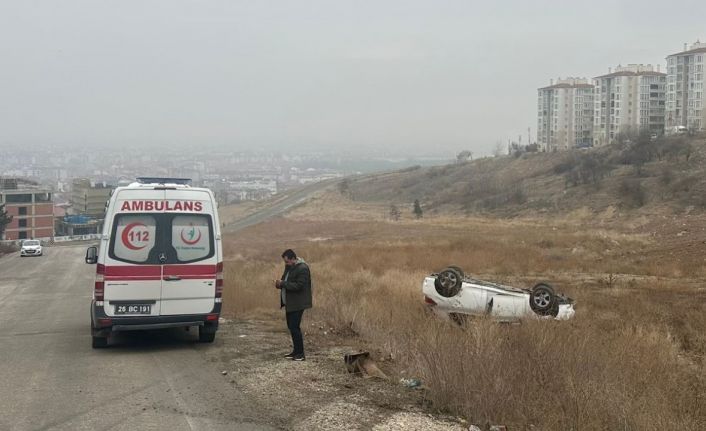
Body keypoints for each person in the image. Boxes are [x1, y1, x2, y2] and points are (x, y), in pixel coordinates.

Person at [275, 249, 312, 361]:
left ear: (293, 259)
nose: (286, 264)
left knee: (295, 327)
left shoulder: (303, 268)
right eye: (285, 262)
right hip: (290, 303)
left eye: (287, 262)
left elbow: (299, 286)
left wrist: (283, 284)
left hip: (298, 303)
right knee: (291, 327)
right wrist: (279, 284)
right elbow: (285, 281)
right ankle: (295, 352)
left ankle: (300, 354)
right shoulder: (289, 267)